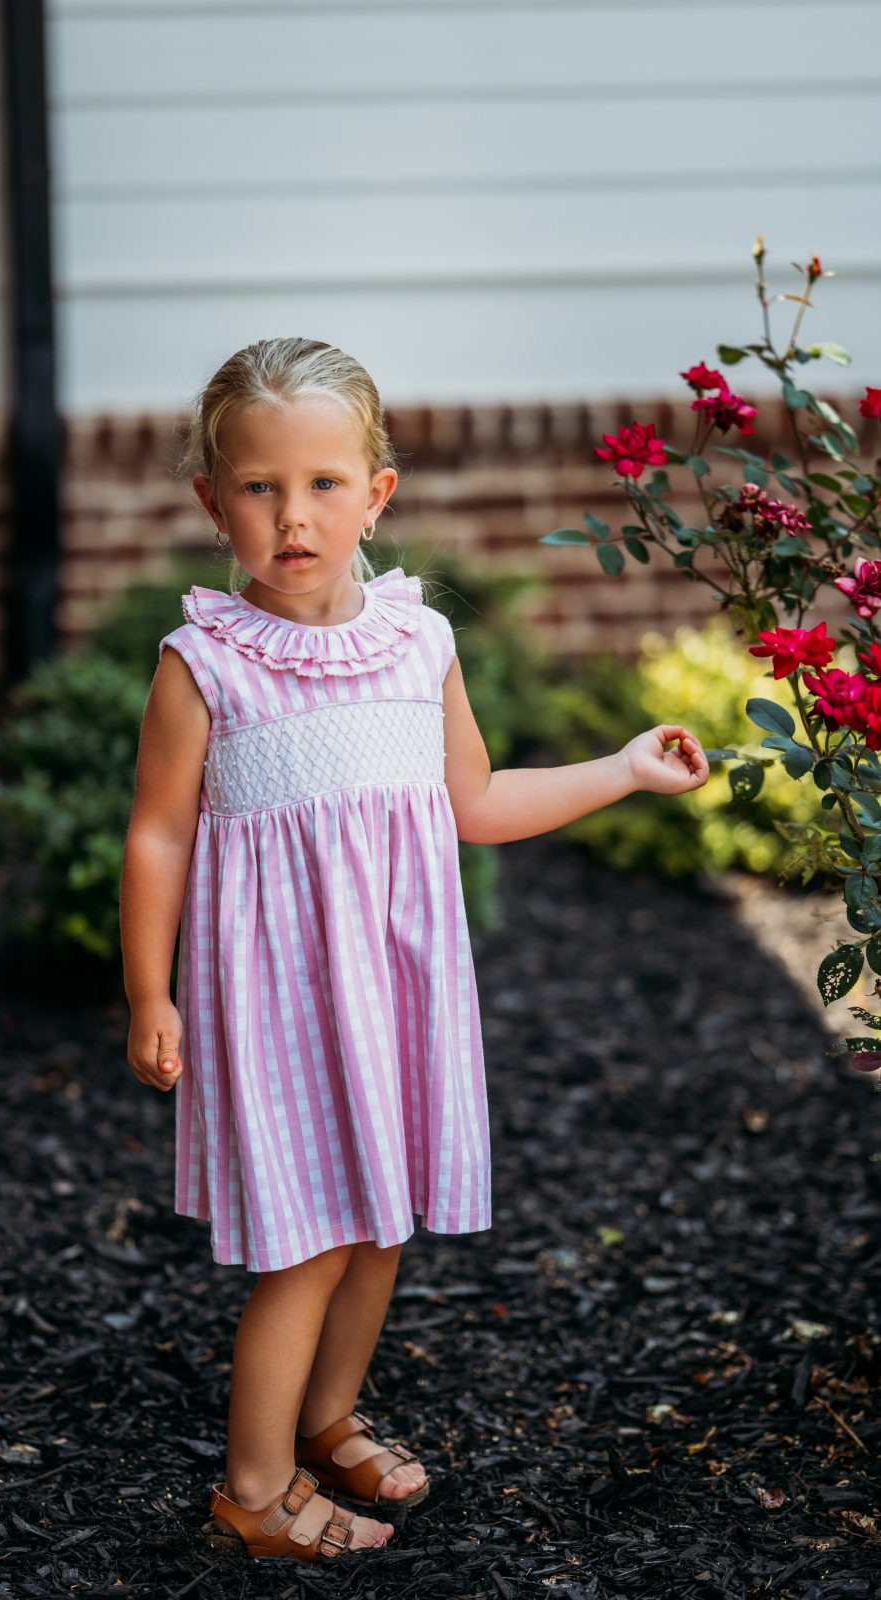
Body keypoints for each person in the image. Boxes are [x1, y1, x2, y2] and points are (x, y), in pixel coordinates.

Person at [118, 337, 709, 1565]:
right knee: (312, 1242)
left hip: (395, 991)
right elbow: (159, 834)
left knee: (381, 1221)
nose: (292, 515)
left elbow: (473, 802)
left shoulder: (416, 641)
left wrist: (620, 769)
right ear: (213, 502)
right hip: (278, 1003)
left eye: (323, 484)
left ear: (375, 494)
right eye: (259, 487)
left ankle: (326, 1414)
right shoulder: (205, 666)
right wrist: (147, 990)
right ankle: (254, 1490)